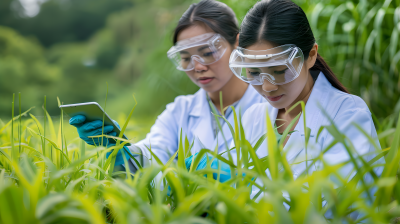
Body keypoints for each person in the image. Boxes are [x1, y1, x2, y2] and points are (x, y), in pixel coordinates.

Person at [68, 0, 266, 172]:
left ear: (238, 44)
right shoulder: (181, 111)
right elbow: (150, 155)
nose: (197, 66)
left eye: (207, 53)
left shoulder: (271, 103)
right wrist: (120, 148)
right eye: (186, 58)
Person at [227, 0, 384, 201]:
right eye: (254, 72)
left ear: (310, 55)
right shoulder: (252, 118)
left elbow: (336, 205)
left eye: (279, 71)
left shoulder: (347, 114)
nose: (267, 87)